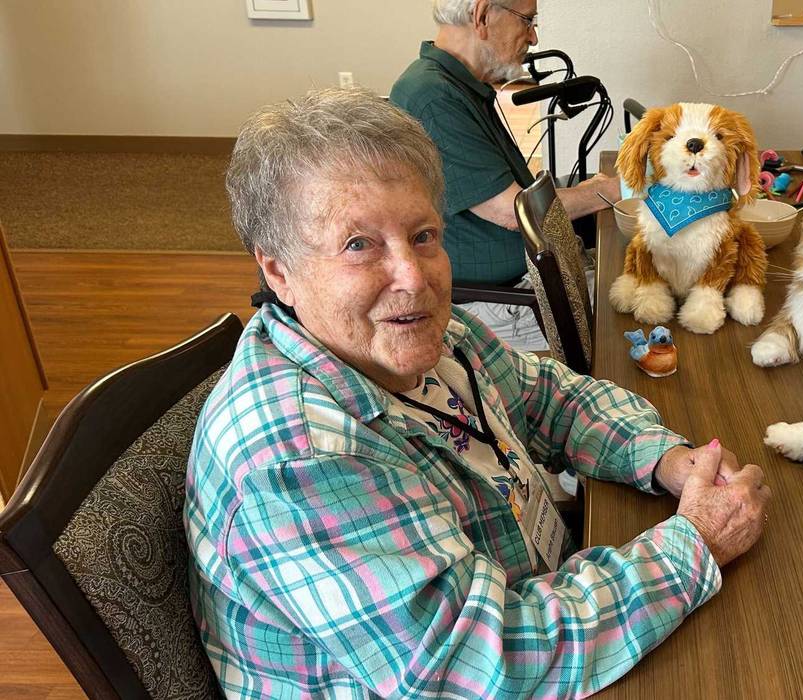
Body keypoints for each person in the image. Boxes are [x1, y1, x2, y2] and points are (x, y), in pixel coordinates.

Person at [185, 87, 770, 699]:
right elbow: (478, 664)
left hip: (524, 588)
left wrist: (665, 458)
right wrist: (692, 545)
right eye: (359, 245)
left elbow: (548, 399)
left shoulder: (422, 333)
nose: (414, 278)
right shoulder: (299, 456)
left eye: (423, 235)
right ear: (278, 271)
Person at [389, 0, 618, 349]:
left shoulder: (452, 85)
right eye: (527, 21)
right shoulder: (433, 97)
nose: (534, 37)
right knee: (631, 309)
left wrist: (594, 189)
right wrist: (618, 189)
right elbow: (513, 212)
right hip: (509, 299)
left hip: (532, 275)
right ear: (482, 16)